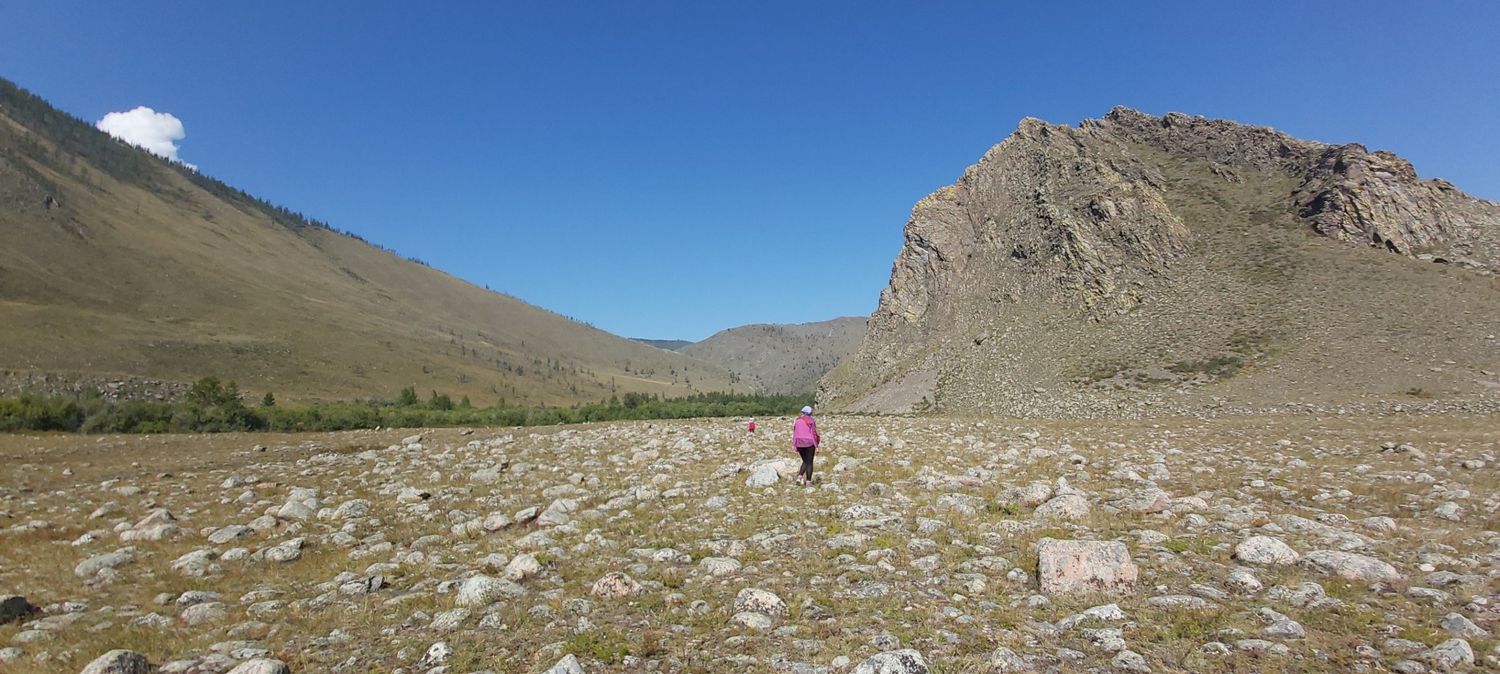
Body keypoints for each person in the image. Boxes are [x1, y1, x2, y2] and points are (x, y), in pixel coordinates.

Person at [791, 405, 820, 486]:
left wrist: (794, 445)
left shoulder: (797, 421)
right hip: (809, 443)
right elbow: (813, 434)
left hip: (799, 443)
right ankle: (808, 482)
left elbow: (795, 434)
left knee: (805, 461)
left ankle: (799, 477)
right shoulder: (811, 420)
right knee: (809, 462)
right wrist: (816, 446)